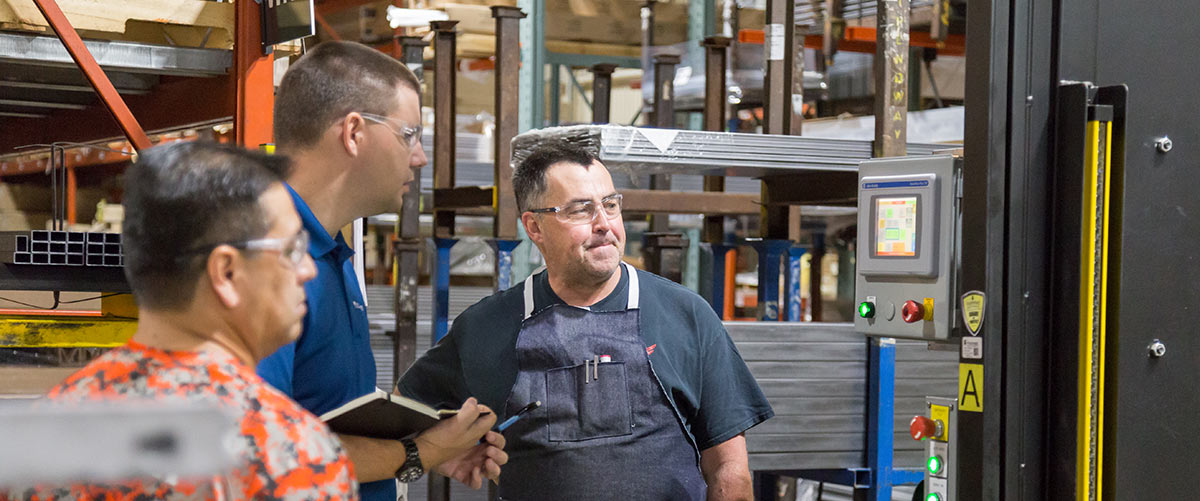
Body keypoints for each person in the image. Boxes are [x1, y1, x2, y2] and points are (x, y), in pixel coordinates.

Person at [3, 142, 497, 500]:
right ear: (227, 271)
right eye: (292, 249)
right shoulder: (285, 454)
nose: (307, 269)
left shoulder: (50, 426)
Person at [397, 141, 775, 500]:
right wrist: (439, 454)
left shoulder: (684, 315)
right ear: (534, 227)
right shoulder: (487, 326)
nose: (603, 223)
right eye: (581, 209)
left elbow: (729, 467)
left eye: (610, 205)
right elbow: (401, 413)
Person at [255, 41, 506, 500]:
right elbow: (262, 448)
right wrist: (417, 453)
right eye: (409, 134)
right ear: (353, 132)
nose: (420, 157)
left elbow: (320, 413)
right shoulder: (266, 257)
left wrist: (425, 449)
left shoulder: (331, 254)